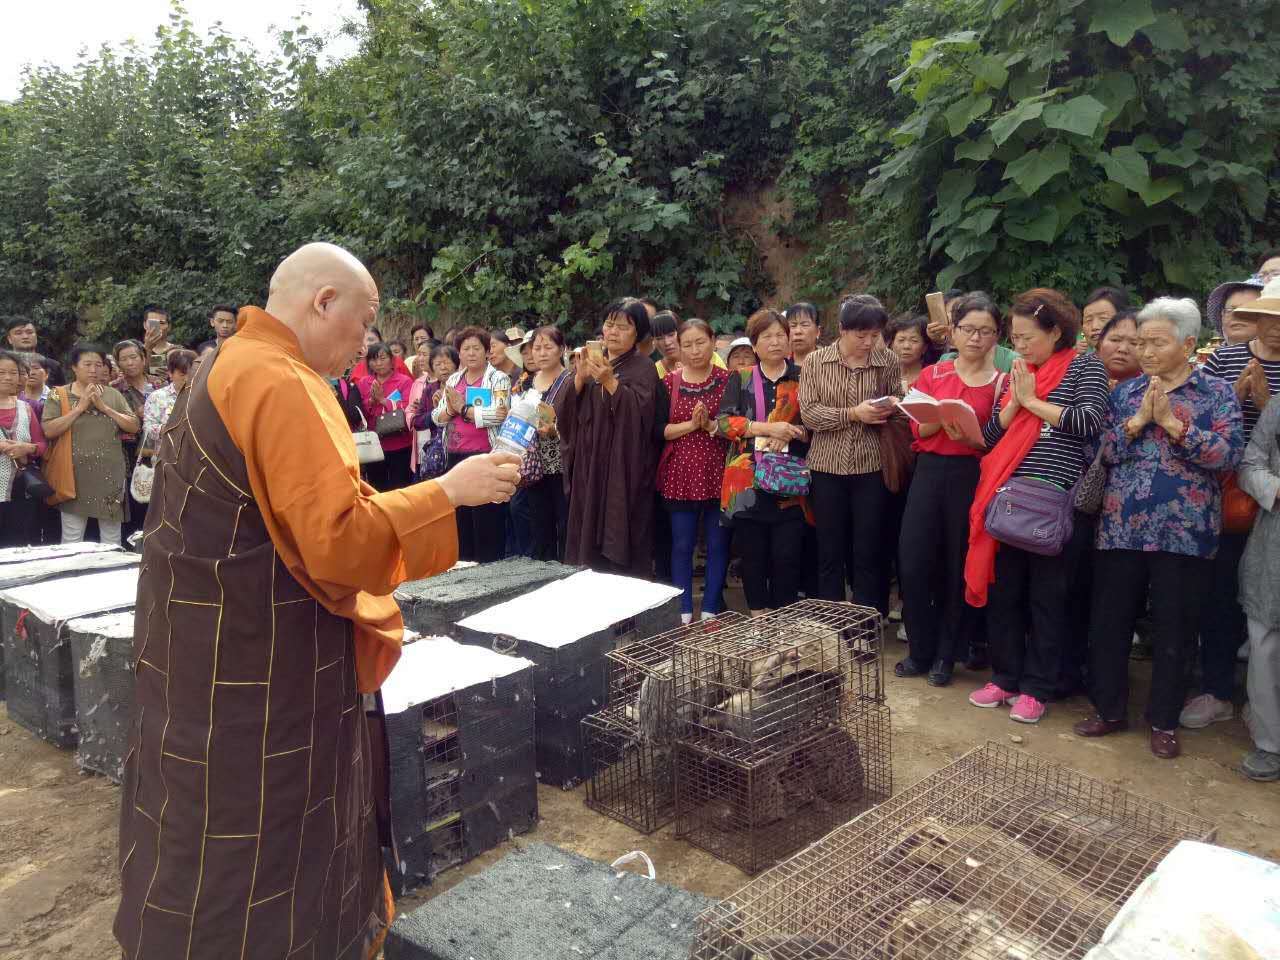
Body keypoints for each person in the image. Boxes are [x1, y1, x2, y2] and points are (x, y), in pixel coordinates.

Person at [114, 242, 518, 960]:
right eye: (362, 324)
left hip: (199, 657)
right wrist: (448, 493)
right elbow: (339, 543)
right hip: (266, 668)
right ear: (322, 302)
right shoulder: (282, 381)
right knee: (275, 843)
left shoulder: (225, 362)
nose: (365, 344)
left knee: (195, 827)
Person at [1072, 298, 1243, 758]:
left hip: (1185, 533)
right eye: (1141, 342)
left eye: (1156, 342)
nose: (1145, 351)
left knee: (1176, 628)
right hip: (1121, 527)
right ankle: (1108, 709)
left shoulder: (1216, 393)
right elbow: (1101, 453)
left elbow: (1228, 456)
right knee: (1109, 622)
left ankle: (1164, 720)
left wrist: (1174, 425)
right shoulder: (1125, 393)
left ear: (1188, 344)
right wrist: (1136, 424)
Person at [964, 288, 1109, 724]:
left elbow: (1088, 422)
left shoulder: (1084, 366)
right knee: (1006, 593)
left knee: (1048, 597)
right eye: (1016, 336)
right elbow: (990, 437)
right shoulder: (1018, 372)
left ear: (1056, 332)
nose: (1020, 345)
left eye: (1028, 337)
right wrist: (1015, 403)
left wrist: (1031, 403)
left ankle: (1038, 687)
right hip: (1008, 496)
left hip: (1055, 500)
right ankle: (1005, 677)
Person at [895, 293, 1003, 687]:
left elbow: (994, 440)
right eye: (968, 329)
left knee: (958, 564)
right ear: (953, 331)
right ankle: (918, 650)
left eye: (985, 331)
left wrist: (972, 437)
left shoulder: (1000, 382)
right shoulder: (933, 375)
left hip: (971, 474)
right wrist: (941, 420)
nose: (976, 338)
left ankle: (947, 654)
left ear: (996, 337)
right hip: (929, 470)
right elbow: (918, 429)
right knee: (914, 559)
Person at [1191, 277, 1280, 728]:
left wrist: (1268, 406)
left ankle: (1264, 706)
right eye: (1269, 318)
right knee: (1219, 593)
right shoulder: (1222, 359)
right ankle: (1217, 690)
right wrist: (1234, 399)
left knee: (1268, 603)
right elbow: (1194, 417)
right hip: (1223, 493)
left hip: (1275, 500)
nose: (1276, 327)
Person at [801, 294, 903, 613]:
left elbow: (896, 397)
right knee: (829, 551)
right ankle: (832, 625)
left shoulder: (887, 360)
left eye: (875, 335)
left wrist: (894, 405)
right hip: (826, 468)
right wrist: (853, 414)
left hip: (871, 466)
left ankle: (865, 624)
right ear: (842, 330)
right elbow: (810, 415)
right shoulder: (817, 362)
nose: (869, 342)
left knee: (868, 551)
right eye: (862, 335)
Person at [556, 298, 659, 575]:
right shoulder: (592, 362)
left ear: (638, 333)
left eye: (623, 327)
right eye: (609, 324)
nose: (613, 332)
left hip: (621, 469)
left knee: (618, 533)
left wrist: (610, 382)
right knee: (586, 534)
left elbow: (643, 420)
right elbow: (564, 414)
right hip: (589, 465)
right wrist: (578, 379)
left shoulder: (643, 368)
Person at [717, 309, 809, 613]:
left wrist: (795, 432)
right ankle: (759, 620)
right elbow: (723, 424)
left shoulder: (803, 377)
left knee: (787, 556)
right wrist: (767, 428)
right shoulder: (741, 378)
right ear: (754, 345)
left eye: (780, 335)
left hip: (789, 483)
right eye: (766, 336)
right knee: (753, 557)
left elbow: (815, 424)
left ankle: (783, 623)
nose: (775, 341)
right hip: (748, 482)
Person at [658, 319, 731, 623]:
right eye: (687, 344)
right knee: (682, 544)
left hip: (720, 471)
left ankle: (711, 609)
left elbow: (738, 426)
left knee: (718, 544)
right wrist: (692, 425)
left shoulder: (729, 380)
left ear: (713, 341)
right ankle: (684, 609)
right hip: (681, 474)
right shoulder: (669, 383)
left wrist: (713, 426)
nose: (694, 350)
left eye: (700, 342)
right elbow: (660, 431)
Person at [41, 343, 140, 545]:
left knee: (111, 538)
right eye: (87, 364)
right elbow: (49, 430)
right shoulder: (57, 394)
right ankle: (71, 574)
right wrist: (80, 408)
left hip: (110, 473)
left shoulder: (113, 394)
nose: (94, 370)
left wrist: (104, 407)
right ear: (74, 367)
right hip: (72, 474)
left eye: (98, 364)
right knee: (72, 536)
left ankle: (109, 575)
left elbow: (134, 426)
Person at [433, 327, 513, 561]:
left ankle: (490, 572)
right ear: (459, 352)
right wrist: (450, 409)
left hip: (485, 456)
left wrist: (464, 410)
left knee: (487, 518)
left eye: (477, 348)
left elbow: (500, 413)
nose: (471, 353)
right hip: (456, 455)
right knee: (462, 518)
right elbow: (437, 417)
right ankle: (465, 568)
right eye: (465, 348)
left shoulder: (498, 378)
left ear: (487, 351)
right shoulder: (454, 379)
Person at [1237, 390, 1280, 781]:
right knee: (1265, 641)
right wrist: (1275, 488)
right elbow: (1250, 463)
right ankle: (1269, 744)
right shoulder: (1279, 404)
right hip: (1274, 541)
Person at [111, 339, 163, 537]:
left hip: (162, 451)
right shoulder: (115, 389)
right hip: (131, 453)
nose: (130, 363)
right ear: (118, 363)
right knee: (136, 502)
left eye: (134, 357)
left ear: (144, 359)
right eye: (124, 359)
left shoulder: (159, 383)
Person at [0, 351, 47, 546]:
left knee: (17, 545)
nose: (8, 377)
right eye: (1, 372)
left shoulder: (25, 408)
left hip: (20, 492)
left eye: (13, 372)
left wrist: (27, 448)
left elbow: (42, 445)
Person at [359, 342, 415, 490]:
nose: (378, 363)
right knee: (377, 488)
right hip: (375, 445)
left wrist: (384, 401)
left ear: (392, 360)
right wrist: (372, 401)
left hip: (400, 443)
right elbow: (359, 411)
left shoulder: (404, 381)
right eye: (374, 359)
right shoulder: (365, 382)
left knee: (401, 487)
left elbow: (409, 407)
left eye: (383, 358)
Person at [406, 344, 457, 476]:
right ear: (432, 368)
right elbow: (417, 421)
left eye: (447, 363)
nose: (443, 368)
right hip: (438, 450)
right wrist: (436, 412)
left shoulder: (463, 386)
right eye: (438, 364)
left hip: (460, 445)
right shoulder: (430, 389)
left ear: (456, 364)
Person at [142, 349, 196, 441]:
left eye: (191, 374)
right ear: (170, 373)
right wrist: (170, 429)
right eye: (182, 374)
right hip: (166, 452)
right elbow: (148, 427)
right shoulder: (157, 397)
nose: (187, 379)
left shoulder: (204, 395)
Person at [1207, 277, 1265, 346]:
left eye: (1246, 310)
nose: (1236, 315)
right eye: (1230, 310)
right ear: (1222, 316)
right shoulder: (1210, 356)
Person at [886, 313, 932, 392]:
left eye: (914, 341)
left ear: (925, 347)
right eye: (901, 340)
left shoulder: (932, 377)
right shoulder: (881, 376)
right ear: (891, 344)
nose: (906, 346)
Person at [1095, 309, 1142, 386]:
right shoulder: (1075, 375)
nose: (1122, 349)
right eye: (1115, 340)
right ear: (1100, 342)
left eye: (1134, 343)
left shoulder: (1154, 390)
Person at [141, 304, 178, 376]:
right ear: (145, 325)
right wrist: (147, 348)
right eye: (152, 323)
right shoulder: (134, 351)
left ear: (169, 326)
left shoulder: (177, 351)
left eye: (161, 323)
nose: (157, 327)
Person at [786, 302, 821, 368]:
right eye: (793, 325)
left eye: (805, 325)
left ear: (818, 331)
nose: (798, 331)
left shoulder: (831, 365)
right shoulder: (780, 367)